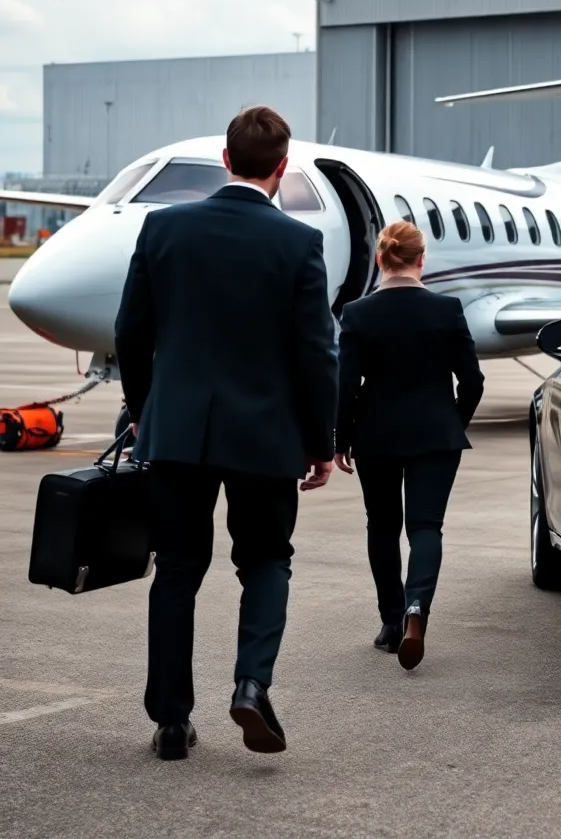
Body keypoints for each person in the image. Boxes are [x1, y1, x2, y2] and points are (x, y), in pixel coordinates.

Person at [114, 105, 339, 761]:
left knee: (178, 570)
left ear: (226, 161)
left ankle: (170, 723)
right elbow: (317, 353)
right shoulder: (298, 244)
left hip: (177, 434)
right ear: (281, 168)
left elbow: (132, 332)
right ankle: (250, 684)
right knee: (266, 560)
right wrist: (321, 441)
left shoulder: (164, 228)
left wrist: (144, 409)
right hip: (266, 437)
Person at [335, 220, 484, 670]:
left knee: (381, 526)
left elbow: (344, 384)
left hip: (376, 435)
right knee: (425, 528)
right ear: (422, 260)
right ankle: (417, 606)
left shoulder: (358, 314)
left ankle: (390, 621)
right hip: (436, 435)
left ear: (381, 259)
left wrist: (341, 439)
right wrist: (452, 423)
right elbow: (473, 380)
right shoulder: (447, 309)